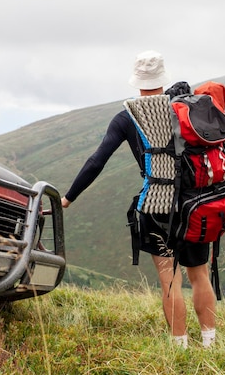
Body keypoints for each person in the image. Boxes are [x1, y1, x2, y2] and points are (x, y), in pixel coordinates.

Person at [61, 50, 216, 349]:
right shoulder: (186, 110)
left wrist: (68, 198)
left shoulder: (126, 117)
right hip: (196, 204)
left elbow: (97, 161)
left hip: (158, 207)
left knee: (170, 280)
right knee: (199, 275)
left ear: (137, 81)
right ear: (163, 78)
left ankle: (180, 348)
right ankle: (210, 343)